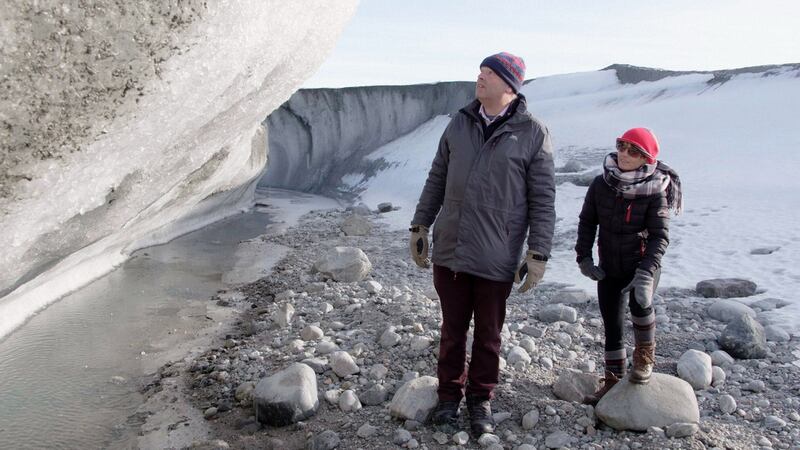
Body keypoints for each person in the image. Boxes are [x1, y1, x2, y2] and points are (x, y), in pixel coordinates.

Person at [409, 52, 555, 435]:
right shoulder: (460, 122)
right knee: (451, 330)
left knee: (489, 335)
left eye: (490, 72)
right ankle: (447, 397)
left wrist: (538, 253)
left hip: (496, 254)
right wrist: (420, 224)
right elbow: (437, 177)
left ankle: (480, 400)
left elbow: (543, 199)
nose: (480, 76)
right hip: (452, 249)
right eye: (480, 70)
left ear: (510, 85)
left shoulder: (532, 134)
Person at [574, 127, 682, 405]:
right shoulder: (601, 184)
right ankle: (613, 381)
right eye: (621, 146)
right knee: (612, 323)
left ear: (646, 158)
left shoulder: (655, 190)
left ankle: (644, 359)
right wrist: (583, 258)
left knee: (640, 305)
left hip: (642, 266)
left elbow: (659, 236)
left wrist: (646, 273)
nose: (624, 154)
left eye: (633, 151)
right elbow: (587, 222)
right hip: (609, 265)